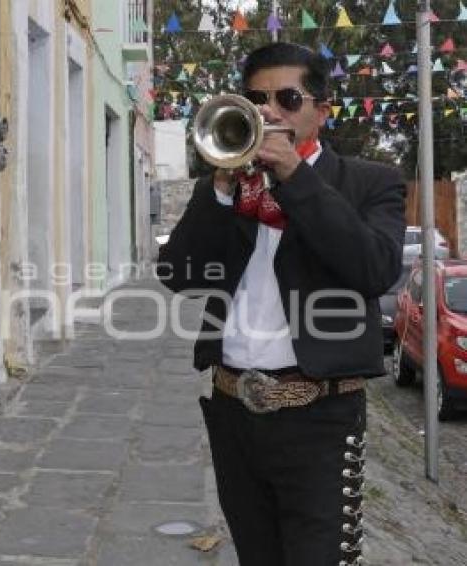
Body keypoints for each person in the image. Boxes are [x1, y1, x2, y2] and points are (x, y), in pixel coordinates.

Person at [158, 42, 405, 566]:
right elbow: (178, 273)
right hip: (234, 413)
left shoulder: (369, 183)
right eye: (256, 98)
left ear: (321, 109)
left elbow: (374, 270)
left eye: (287, 98)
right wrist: (221, 187)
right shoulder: (227, 186)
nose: (269, 110)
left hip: (321, 419)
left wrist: (295, 175)